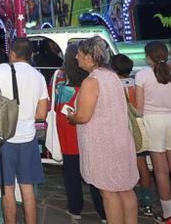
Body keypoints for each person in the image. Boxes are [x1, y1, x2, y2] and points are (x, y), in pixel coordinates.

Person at [68, 37, 139, 224]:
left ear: (90, 58)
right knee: (125, 189)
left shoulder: (91, 82)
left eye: (80, 54)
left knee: (108, 192)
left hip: (102, 143)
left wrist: (72, 116)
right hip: (120, 139)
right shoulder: (113, 76)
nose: (76, 57)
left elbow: (83, 116)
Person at [0, 38, 48, 224]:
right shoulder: (39, 77)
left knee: (8, 189)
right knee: (28, 190)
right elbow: (42, 114)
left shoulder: (2, 69)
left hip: (4, 139)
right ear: (31, 54)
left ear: (12, 53)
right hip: (28, 139)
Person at [135, 42, 171, 224]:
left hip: (152, 121)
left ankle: (167, 215)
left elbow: (139, 107)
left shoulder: (142, 75)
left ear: (148, 56)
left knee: (160, 171)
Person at [57, 44, 106, 221]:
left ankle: (75, 207)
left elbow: (58, 109)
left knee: (71, 171)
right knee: (94, 173)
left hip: (70, 130)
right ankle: (102, 210)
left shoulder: (61, 83)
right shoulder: (95, 79)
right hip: (90, 130)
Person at [111, 53, 155, 218]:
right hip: (138, 127)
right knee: (142, 164)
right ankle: (147, 200)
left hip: (121, 129)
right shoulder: (136, 84)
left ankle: (123, 197)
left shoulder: (114, 86)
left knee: (122, 166)